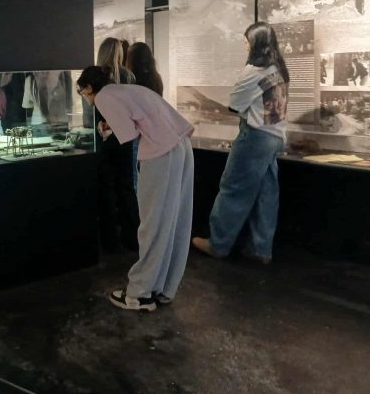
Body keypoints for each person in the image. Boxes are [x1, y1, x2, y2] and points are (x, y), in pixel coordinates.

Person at [77, 66, 194, 312]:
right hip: (180, 145)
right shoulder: (123, 90)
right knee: (174, 220)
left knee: (152, 222)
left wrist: (106, 129)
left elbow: (128, 135)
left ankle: (140, 293)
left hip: (160, 152)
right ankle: (163, 287)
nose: (85, 99)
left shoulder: (103, 97)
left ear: (88, 88)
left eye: (83, 93)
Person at [192, 22, 290, 264]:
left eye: (247, 41)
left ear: (255, 44)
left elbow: (234, 105)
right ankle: (261, 248)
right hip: (275, 137)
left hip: (255, 137)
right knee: (266, 193)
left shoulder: (253, 72)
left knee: (233, 189)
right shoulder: (279, 69)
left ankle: (218, 243)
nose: (245, 45)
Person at [95, 37, 139, 252]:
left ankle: (110, 240)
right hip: (125, 137)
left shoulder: (97, 77)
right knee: (126, 186)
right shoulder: (128, 76)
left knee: (107, 188)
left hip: (103, 138)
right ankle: (132, 237)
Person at [125, 42, 164, 193]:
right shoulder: (156, 78)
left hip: (139, 133)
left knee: (137, 178)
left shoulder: (134, 82)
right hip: (153, 133)